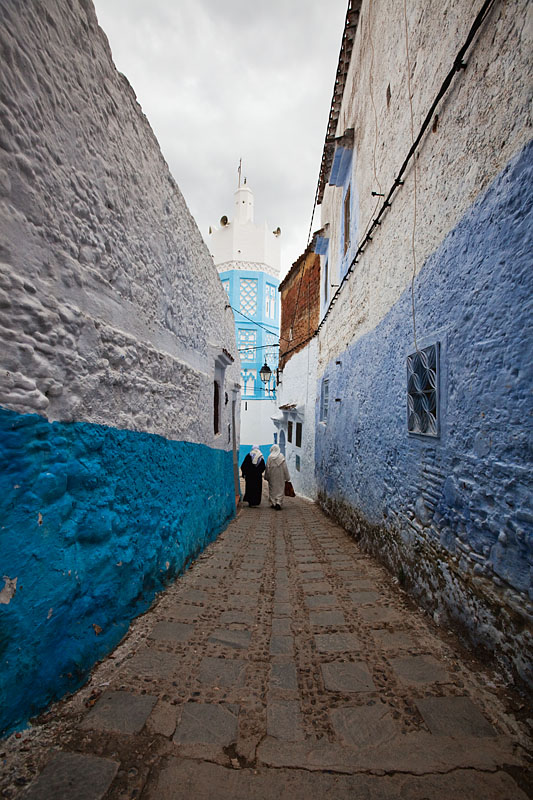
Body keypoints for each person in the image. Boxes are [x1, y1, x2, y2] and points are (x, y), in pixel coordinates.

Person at [264, 444, 290, 510]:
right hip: (280, 475)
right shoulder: (281, 456)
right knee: (280, 488)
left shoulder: (270, 457)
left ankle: (273, 502)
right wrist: (287, 477)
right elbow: (285, 467)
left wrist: (266, 476)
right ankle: (278, 502)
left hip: (272, 475)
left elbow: (267, 467)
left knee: (272, 489)